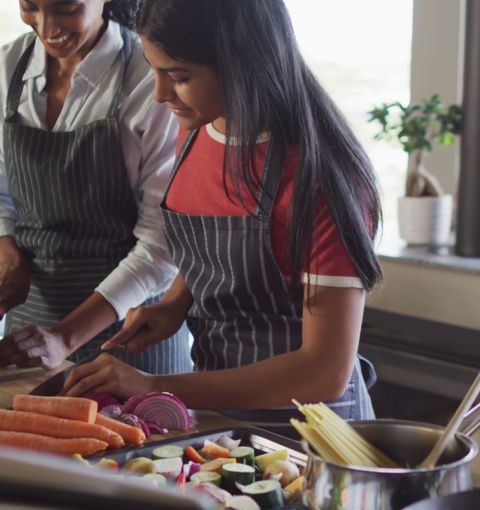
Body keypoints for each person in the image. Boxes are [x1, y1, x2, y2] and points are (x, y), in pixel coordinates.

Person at [61, 0, 383, 434]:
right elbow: (215, 250)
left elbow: (323, 372)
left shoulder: (320, 181)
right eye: (154, 70)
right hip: (223, 425)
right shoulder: (195, 132)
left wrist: (155, 385)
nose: (160, 94)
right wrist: (175, 303)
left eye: (179, 77)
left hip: (313, 437)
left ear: (241, 62)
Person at [0, 0, 190, 374]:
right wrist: (9, 261)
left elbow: (161, 243)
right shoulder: (4, 70)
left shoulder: (152, 76)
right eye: (29, 7)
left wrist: (65, 337)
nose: (47, 25)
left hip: (130, 333)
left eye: (66, 7)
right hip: (28, 334)